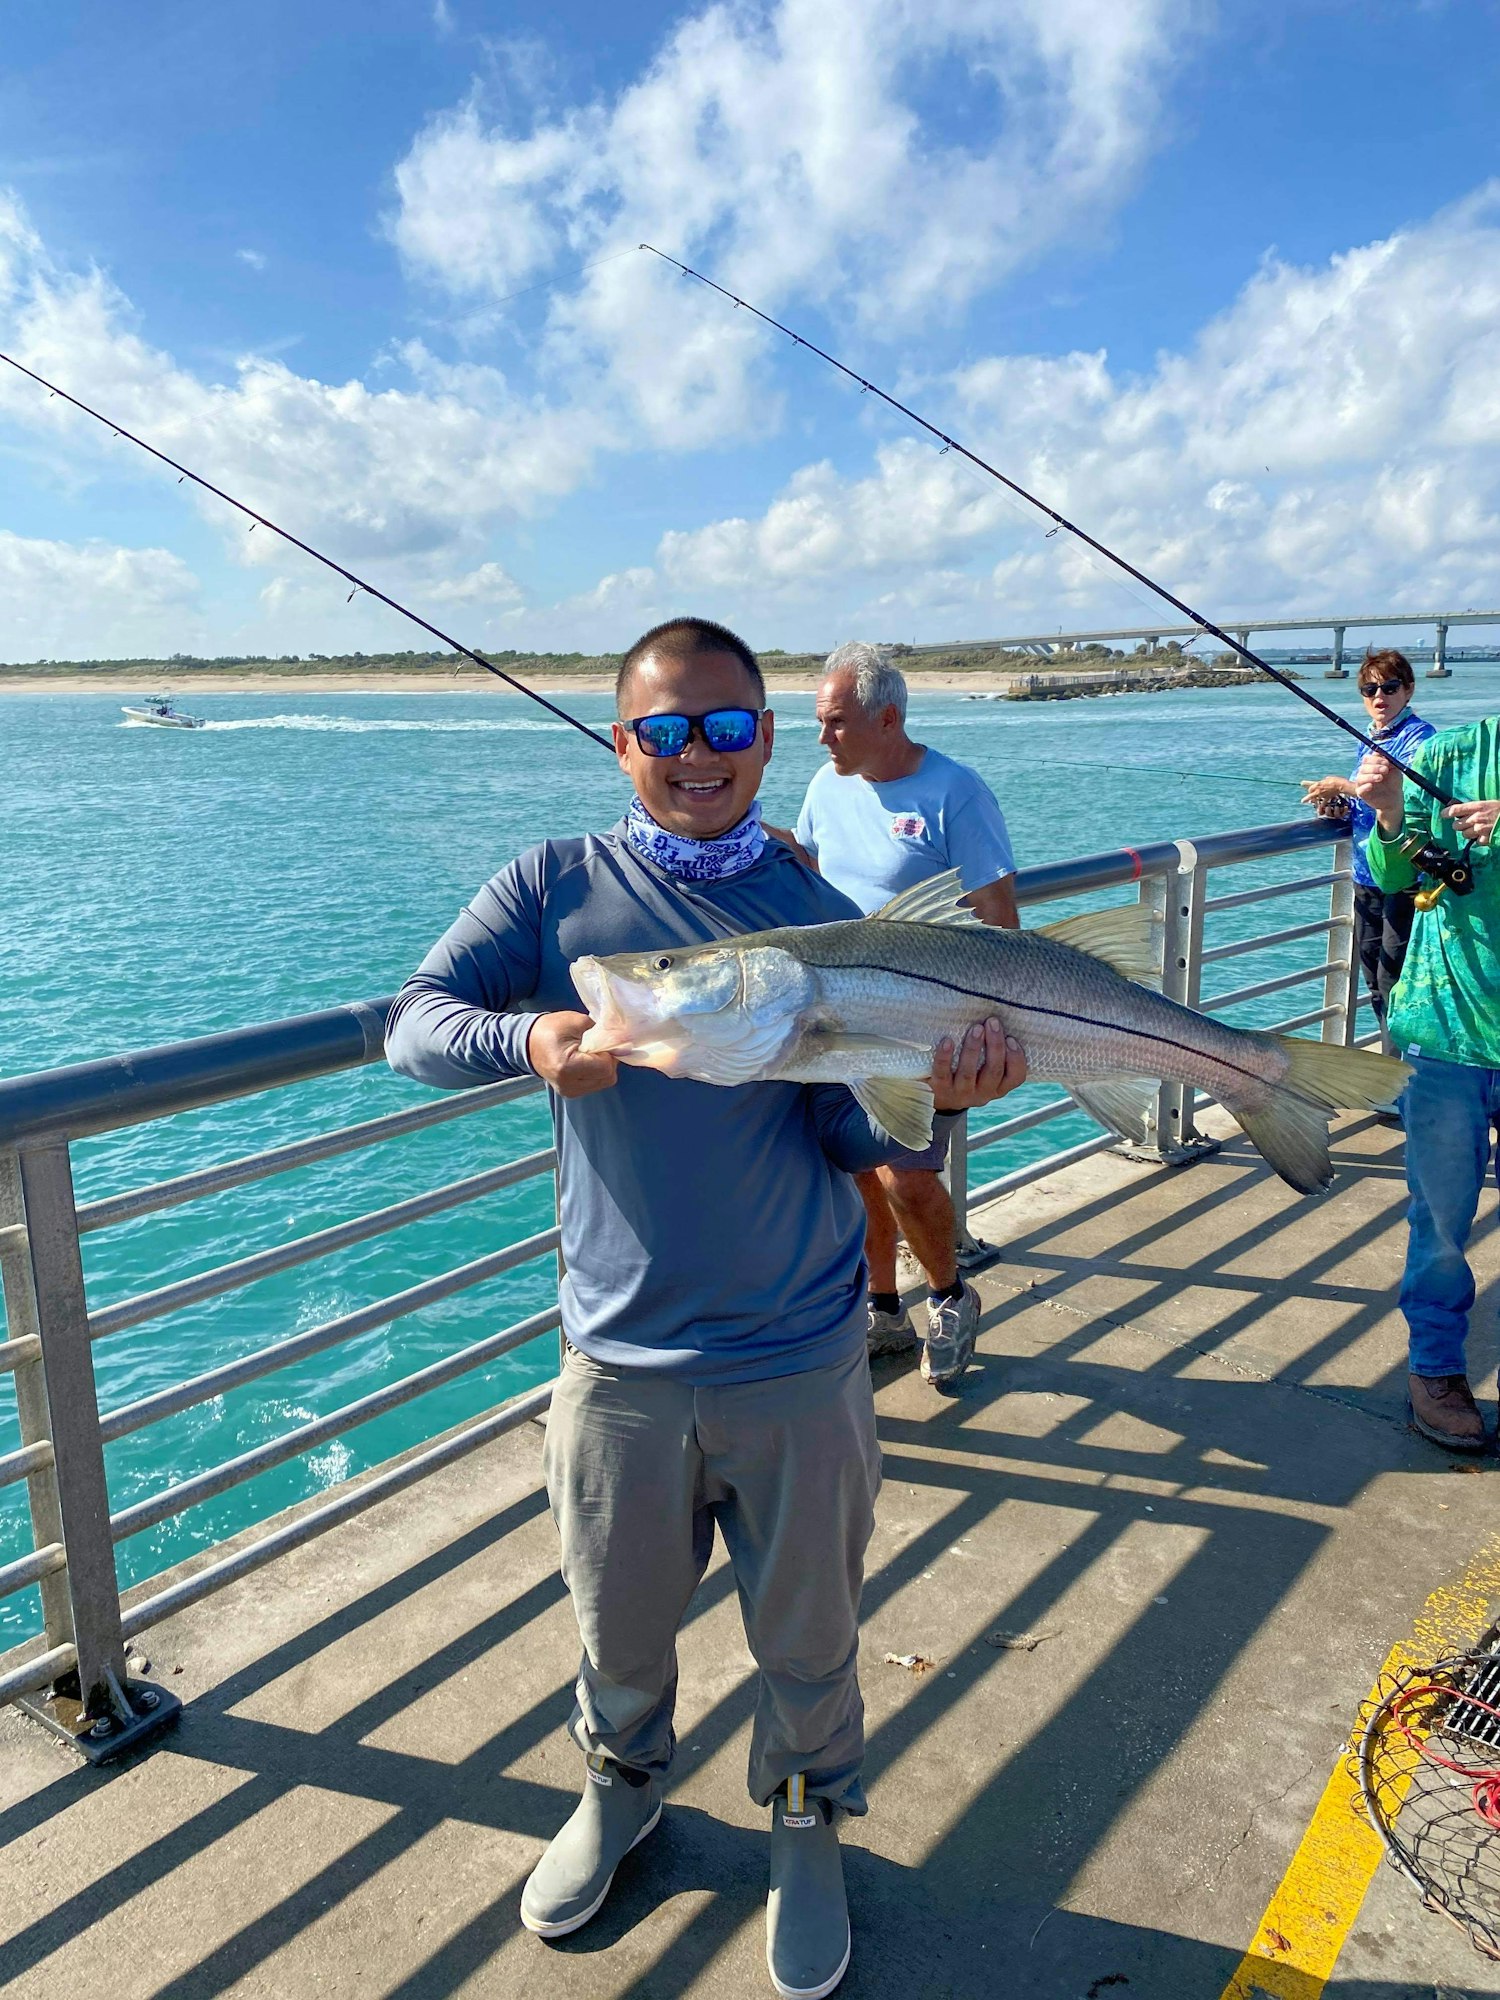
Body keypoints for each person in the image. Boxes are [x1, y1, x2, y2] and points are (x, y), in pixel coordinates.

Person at [386, 617, 1026, 1998]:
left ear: (767, 741)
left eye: (727, 728)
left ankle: (805, 1820)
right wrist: (530, 1038)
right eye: (665, 730)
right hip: (615, 1363)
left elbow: (856, 1144)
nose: (697, 756)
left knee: (811, 1633)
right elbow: (414, 1023)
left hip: (798, 1358)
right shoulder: (555, 889)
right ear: (622, 742)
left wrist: (938, 1102)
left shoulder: (807, 906)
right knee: (617, 1625)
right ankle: (622, 1787)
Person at [788, 641, 1019, 1385]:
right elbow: (814, 874)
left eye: (836, 723)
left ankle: (951, 1295)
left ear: (887, 718)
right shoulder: (827, 784)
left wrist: (988, 1033)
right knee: (858, 1169)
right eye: (820, 723)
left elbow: (1000, 922)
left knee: (906, 1176)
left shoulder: (956, 792)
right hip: (841, 1022)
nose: (823, 738)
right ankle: (884, 1308)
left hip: (934, 1026)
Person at [1352, 711, 1499, 1453]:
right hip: (1444, 1030)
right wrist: (1385, 813)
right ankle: (1434, 1372)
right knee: (1441, 1221)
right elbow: (1396, 873)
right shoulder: (1448, 753)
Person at [1301, 651, 1435, 1051]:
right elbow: (1370, 801)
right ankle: (1393, 1072)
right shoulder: (1370, 737)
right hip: (1365, 875)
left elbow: (1406, 797)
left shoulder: (1421, 738)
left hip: (1405, 876)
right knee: (1374, 978)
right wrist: (1339, 807)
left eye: (1390, 687)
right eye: (1370, 689)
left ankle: (1410, 1076)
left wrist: (1342, 785)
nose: (1380, 696)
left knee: (1398, 978)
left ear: (1408, 690)